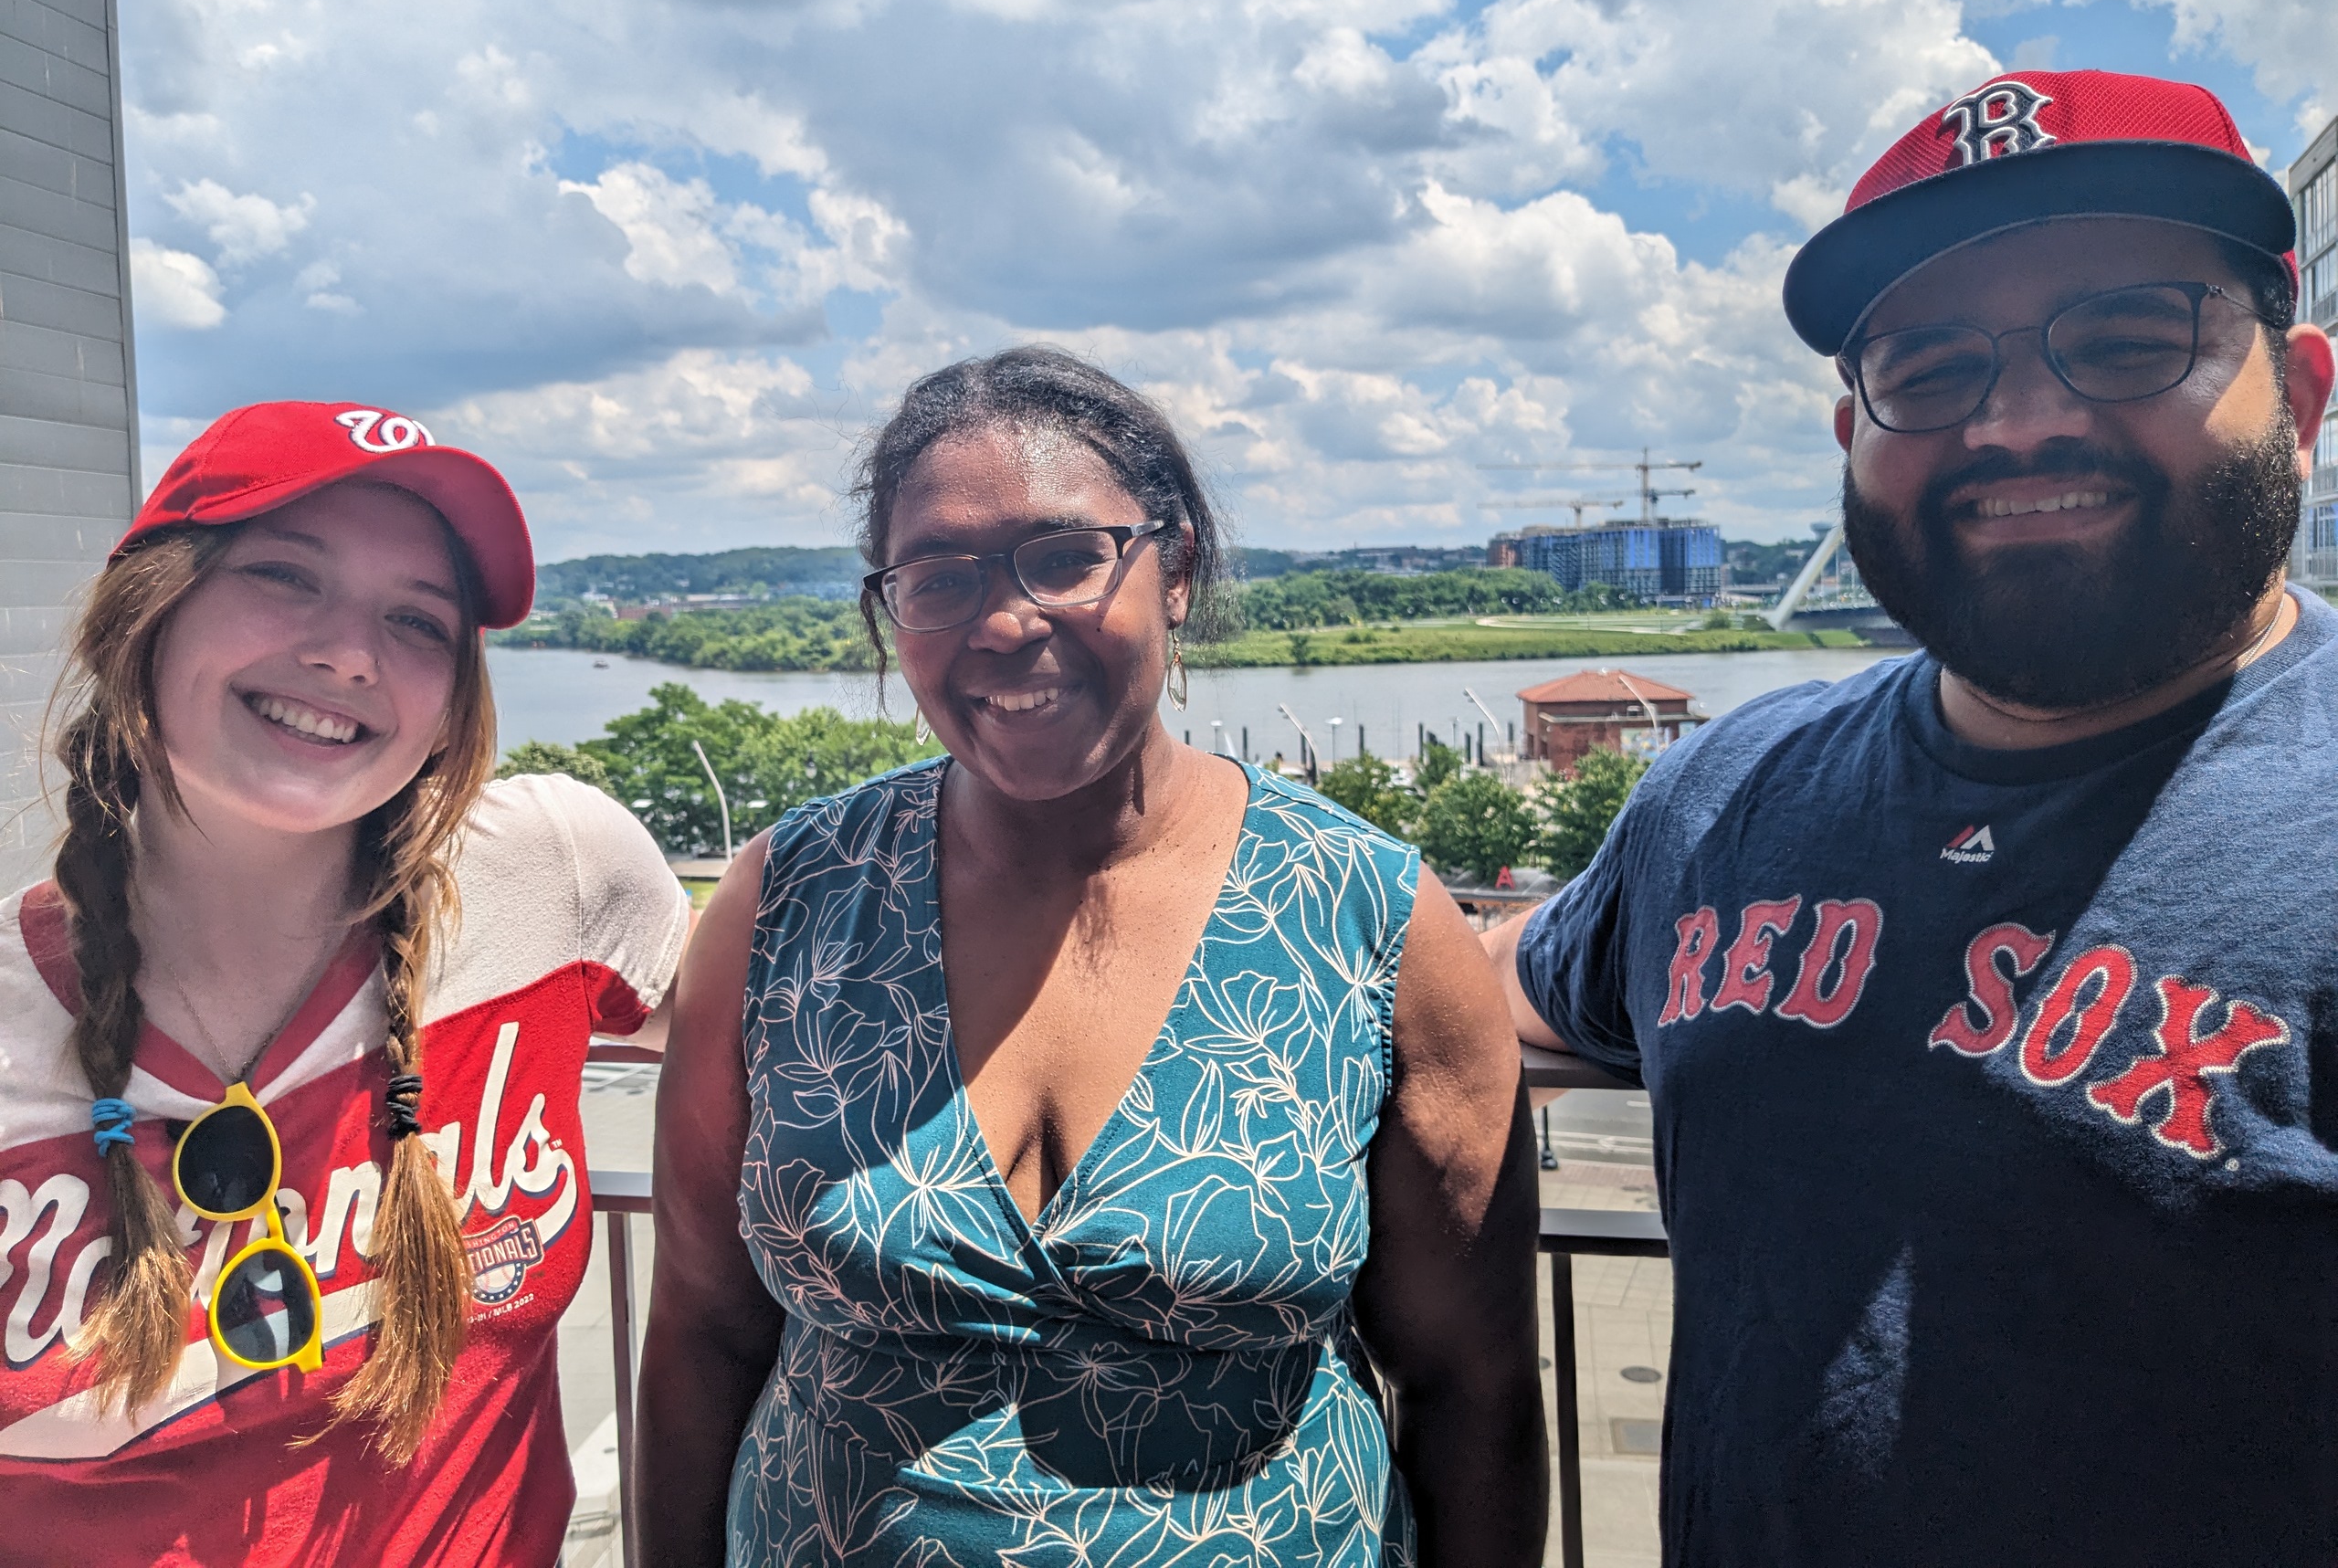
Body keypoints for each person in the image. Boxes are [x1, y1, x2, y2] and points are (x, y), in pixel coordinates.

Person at [1492, 68, 2338, 1563]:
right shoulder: (1721, 792)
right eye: (1933, 371)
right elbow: (1488, 991)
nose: (2020, 422)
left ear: (2307, 394)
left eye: (2132, 340)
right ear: (1851, 437)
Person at [640, 347, 1543, 1566]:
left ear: (1177, 570)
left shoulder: (1369, 918)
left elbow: (1474, 1391)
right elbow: (702, 1327)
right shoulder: (786, 902)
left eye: (1066, 558)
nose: (1006, 623)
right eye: (938, 578)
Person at [0, 403, 690, 1564]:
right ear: (145, 617)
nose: (349, 653)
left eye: (417, 620)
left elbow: (822, 1070)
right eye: (284, 575)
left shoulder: (555, 870)